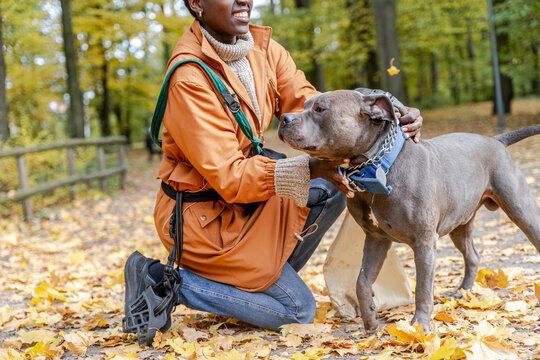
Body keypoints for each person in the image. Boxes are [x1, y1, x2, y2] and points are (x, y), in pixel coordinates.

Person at [122, 0, 423, 345]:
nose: (243, 0)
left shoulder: (264, 51)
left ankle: (248, 290)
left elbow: (315, 109)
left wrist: (385, 110)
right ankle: (166, 281)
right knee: (296, 311)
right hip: (204, 222)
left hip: (244, 205)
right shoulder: (189, 79)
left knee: (336, 185)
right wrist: (309, 168)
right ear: (196, 3)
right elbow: (231, 176)